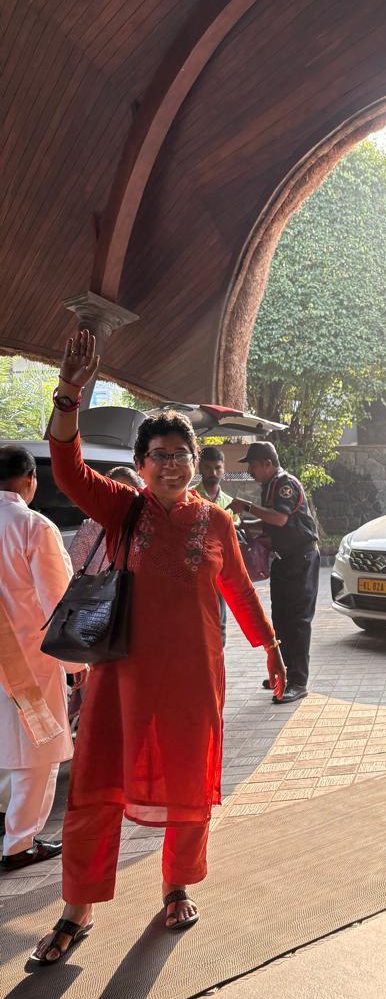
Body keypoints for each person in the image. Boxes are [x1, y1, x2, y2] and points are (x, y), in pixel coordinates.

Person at [29, 329, 285, 966]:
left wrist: (271, 647)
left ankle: (176, 888)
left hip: (195, 678)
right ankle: (77, 909)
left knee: (188, 786)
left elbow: (238, 591)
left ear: (195, 461)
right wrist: (69, 394)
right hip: (122, 676)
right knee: (95, 788)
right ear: (140, 464)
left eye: (180, 454)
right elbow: (68, 468)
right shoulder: (124, 509)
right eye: (158, 455)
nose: (170, 464)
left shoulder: (217, 520)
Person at [0, 445, 84, 871]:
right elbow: (57, 601)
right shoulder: (31, 526)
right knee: (39, 750)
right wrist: (76, 663)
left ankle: (10, 826)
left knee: (8, 745)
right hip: (25, 662)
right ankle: (19, 843)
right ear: (30, 480)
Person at [231, 442, 319, 704]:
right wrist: (242, 525)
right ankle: (283, 672)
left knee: (297, 621)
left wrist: (247, 507)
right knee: (280, 619)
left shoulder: (285, 484)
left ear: (267, 463)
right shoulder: (269, 486)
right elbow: (270, 523)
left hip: (301, 559)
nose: (250, 470)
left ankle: (298, 682)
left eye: (253, 465)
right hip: (283, 560)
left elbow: (280, 518)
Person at [190, 446, 238, 644]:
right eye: (208, 468)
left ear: (223, 468)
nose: (213, 472)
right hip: (192, 572)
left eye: (217, 468)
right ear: (200, 468)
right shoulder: (190, 496)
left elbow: (234, 539)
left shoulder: (230, 502)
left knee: (219, 625)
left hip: (220, 572)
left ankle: (218, 656)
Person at [69, 466, 143, 574]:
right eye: (115, 494)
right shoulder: (91, 526)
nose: (120, 501)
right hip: (96, 585)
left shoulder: (147, 525)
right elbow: (72, 568)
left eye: (126, 494)